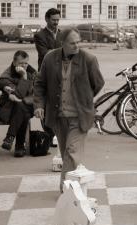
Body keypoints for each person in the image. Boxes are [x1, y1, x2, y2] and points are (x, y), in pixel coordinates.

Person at [34, 28, 105, 191]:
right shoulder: (50, 58)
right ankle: (74, 183)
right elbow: (40, 83)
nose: (76, 46)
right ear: (62, 43)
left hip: (80, 116)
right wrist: (38, 105)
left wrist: (85, 97)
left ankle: (65, 190)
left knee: (72, 152)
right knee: (69, 153)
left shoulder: (89, 59)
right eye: (72, 43)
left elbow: (98, 83)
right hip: (58, 116)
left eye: (78, 42)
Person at [0, 51, 37, 157]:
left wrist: (25, 76)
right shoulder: (6, 76)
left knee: (22, 106)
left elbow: (36, 91)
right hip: (8, 109)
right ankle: (19, 147)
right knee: (22, 109)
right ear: (14, 62)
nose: (24, 66)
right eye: (21, 63)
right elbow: (19, 94)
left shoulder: (32, 73)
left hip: (28, 106)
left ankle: (10, 138)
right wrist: (24, 78)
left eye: (26, 63)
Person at [34, 8, 62, 147]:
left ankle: (57, 134)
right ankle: (49, 135)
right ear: (46, 19)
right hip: (46, 74)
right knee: (47, 105)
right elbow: (45, 54)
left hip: (61, 74)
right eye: (53, 20)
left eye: (58, 20)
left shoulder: (62, 34)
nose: (56, 23)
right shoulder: (40, 35)